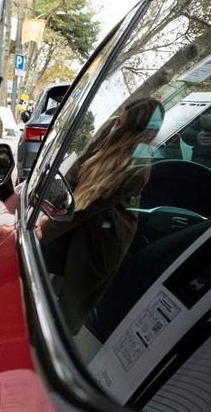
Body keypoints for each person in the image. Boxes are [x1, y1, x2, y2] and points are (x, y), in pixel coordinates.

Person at [35, 97, 164, 333]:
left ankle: (53, 343)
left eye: (122, 123)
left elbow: (88, 207)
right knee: (39, 262)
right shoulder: (111, 131)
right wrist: (47, 203)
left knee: (72, 303)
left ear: (133, 130)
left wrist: (48, 226)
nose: (116, 123)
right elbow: (76, 174)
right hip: (81, 217)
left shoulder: (137, 165)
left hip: (105, 235)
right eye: (118, 118)